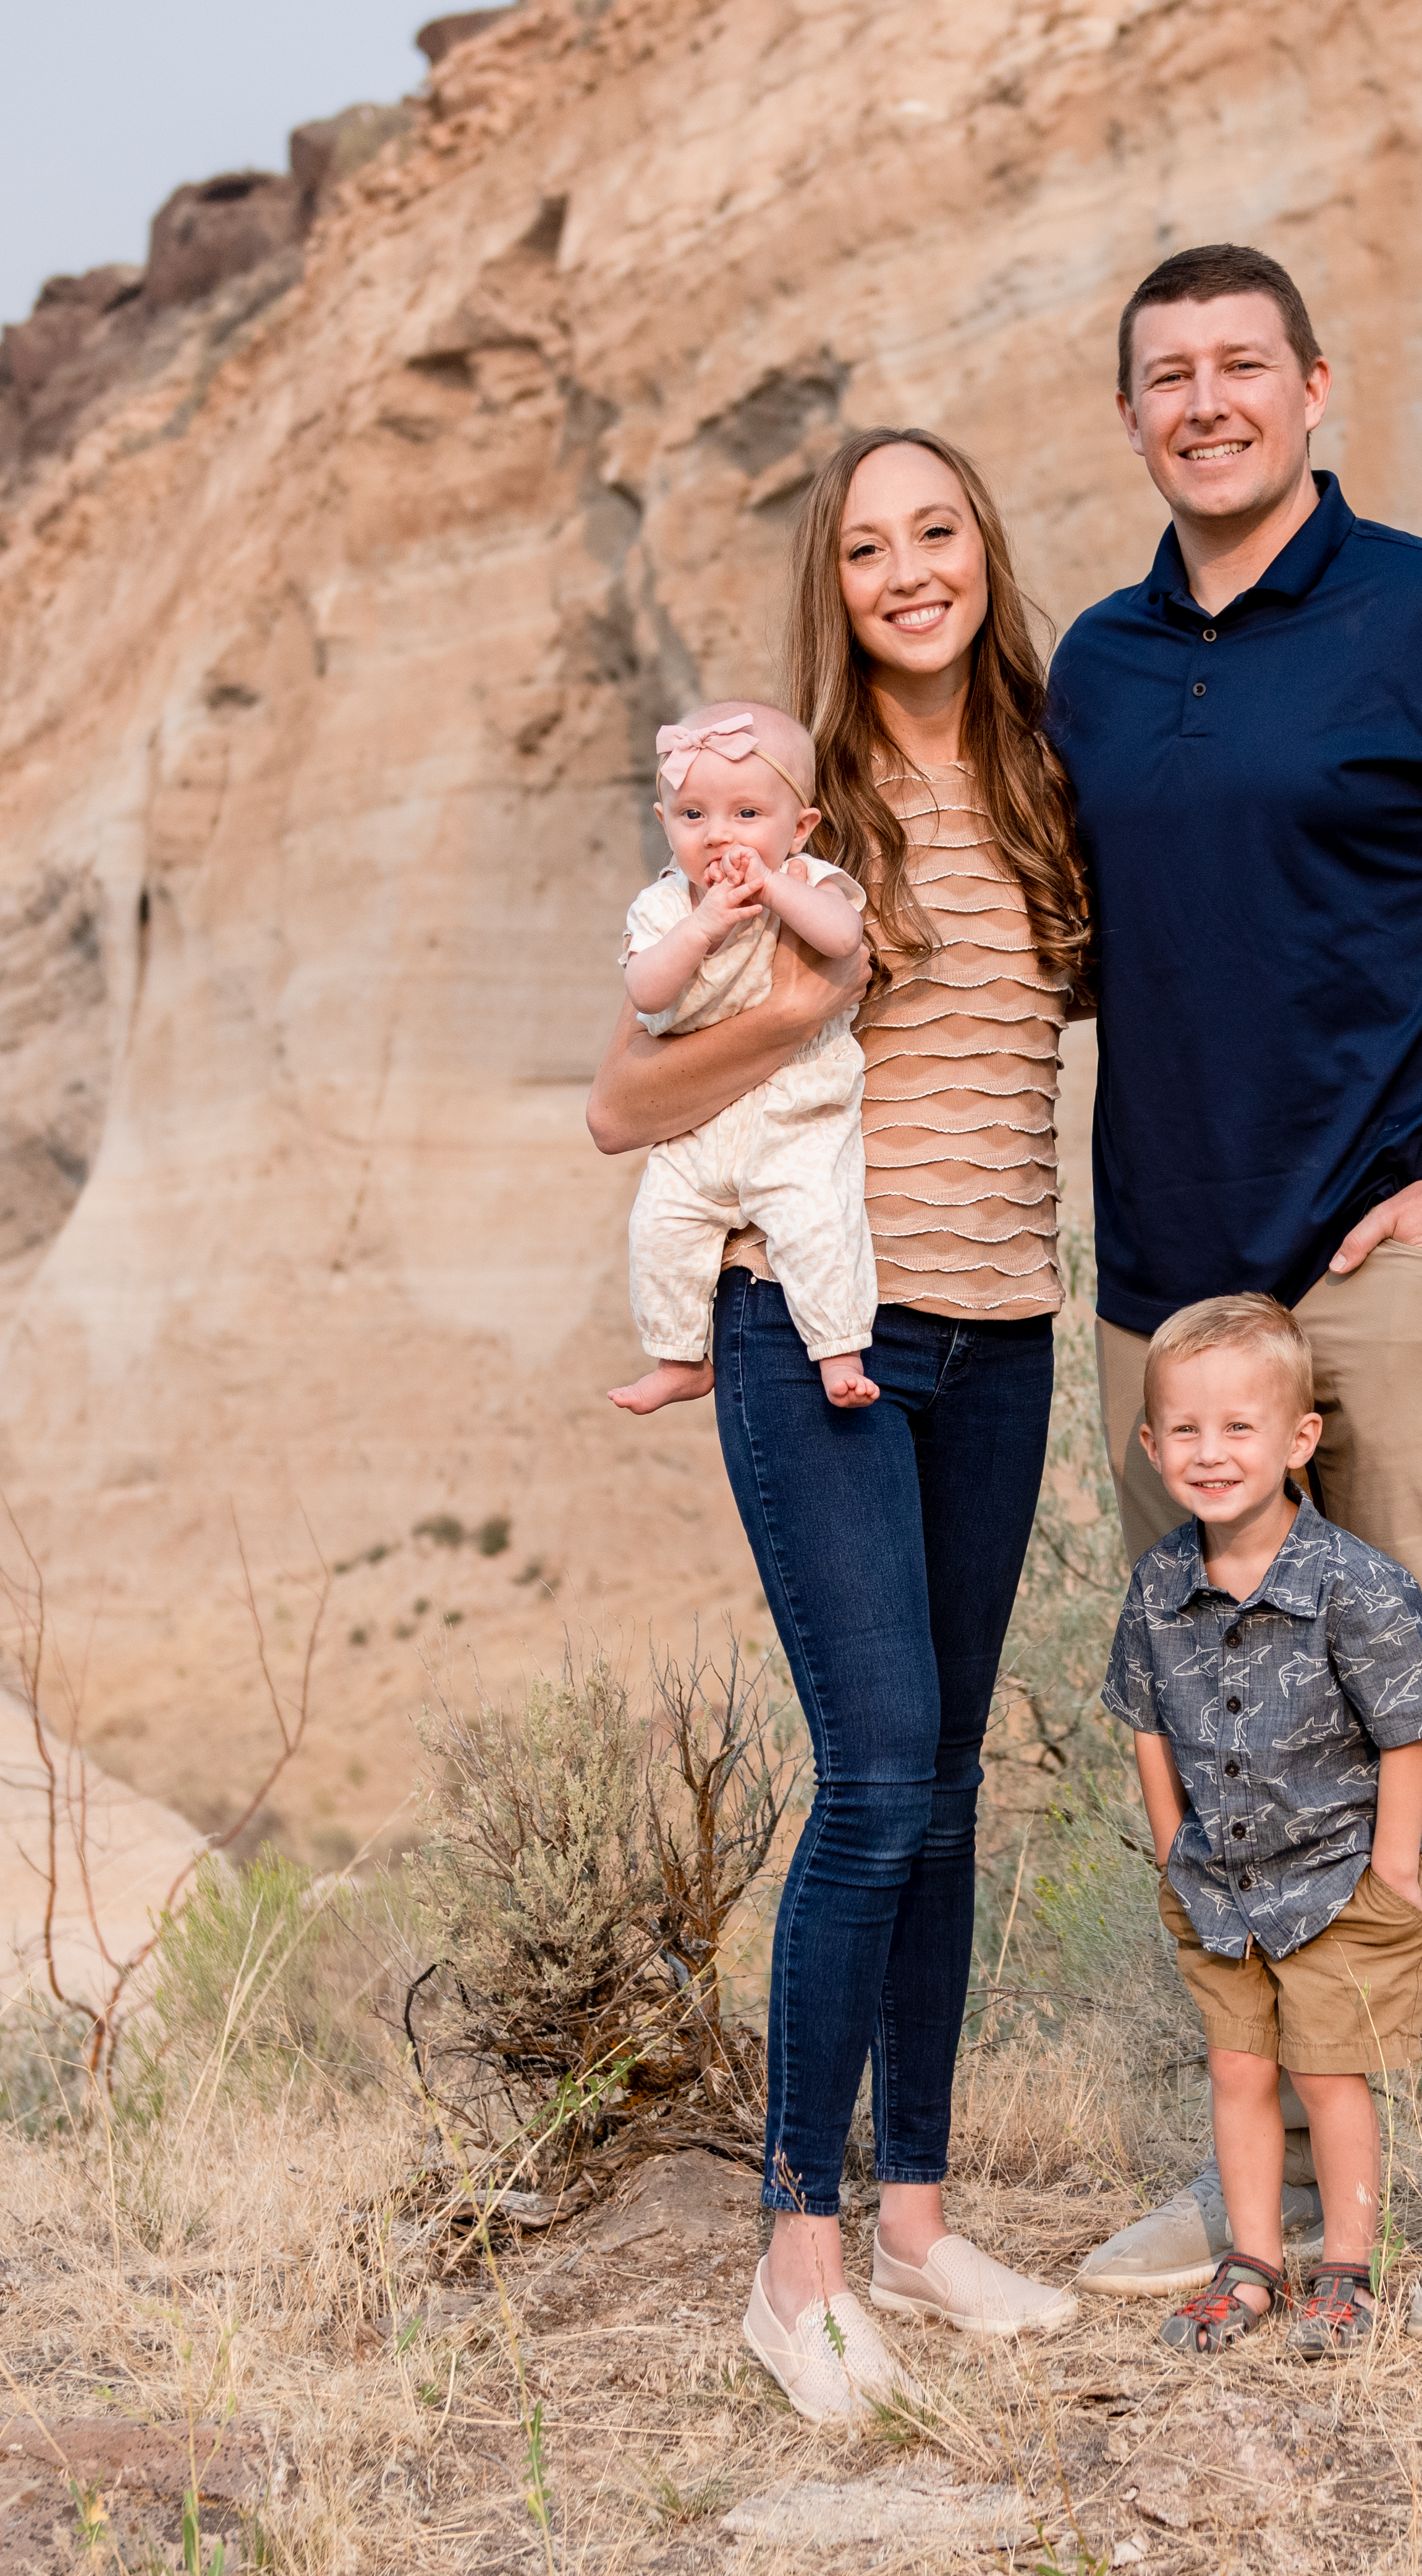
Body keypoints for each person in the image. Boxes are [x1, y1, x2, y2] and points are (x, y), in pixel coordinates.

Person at [1049, 243, 1422, 2344]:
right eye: (1166, 374)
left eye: (1241, 364)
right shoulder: (1100, 666)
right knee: (1216, 1739)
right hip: (1164, 1297)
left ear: (1314, 389)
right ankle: (1268, 2162)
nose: (1204, 398)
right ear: (1128, 414)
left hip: (1398, 1272)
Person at [585, 426, 1098, 2421]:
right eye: (867, 544)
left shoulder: (1054, 781)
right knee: (876, 1771)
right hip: (819, 1335)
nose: (906, 570)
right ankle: (792, 2264)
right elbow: (620, 1100)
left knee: (950, 1782)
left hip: (1007, 1330)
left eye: (936, 531)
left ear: (983, 548)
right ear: (837, 579)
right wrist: (798, 1015)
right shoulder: (785, 796)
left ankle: (915, 2215)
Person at [1106, 1294, 1422, 2358]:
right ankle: (1253, 2263)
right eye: (1187, 1430)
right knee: (1238, 2069)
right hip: (1218, 1884)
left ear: (1299, 1438)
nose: (1211, 1454)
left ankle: (1347, 2265)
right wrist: (1172, 1842)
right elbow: (1145, 1721)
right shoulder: (1161, 1582)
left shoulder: (1353, 1584)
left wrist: (1394, 1866)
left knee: (1329, 2071)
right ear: (1151, 1441)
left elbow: (1408, 1730)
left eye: (1239, 1428)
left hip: (1336, 1880)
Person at [606, 700, 878, 1417]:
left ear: (801, 827)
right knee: (659, 1227)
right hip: (695, 1127)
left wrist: (774, 887)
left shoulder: (805, 880)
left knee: (818, 1220)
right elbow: (646, 989)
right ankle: (676, 1357)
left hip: (796, 1110)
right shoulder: (665, 908)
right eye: (692, 815)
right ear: (664, 823)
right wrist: (702, 926)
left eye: (747, 815)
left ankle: (839, 1348)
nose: (719, 835)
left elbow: (842, 936)